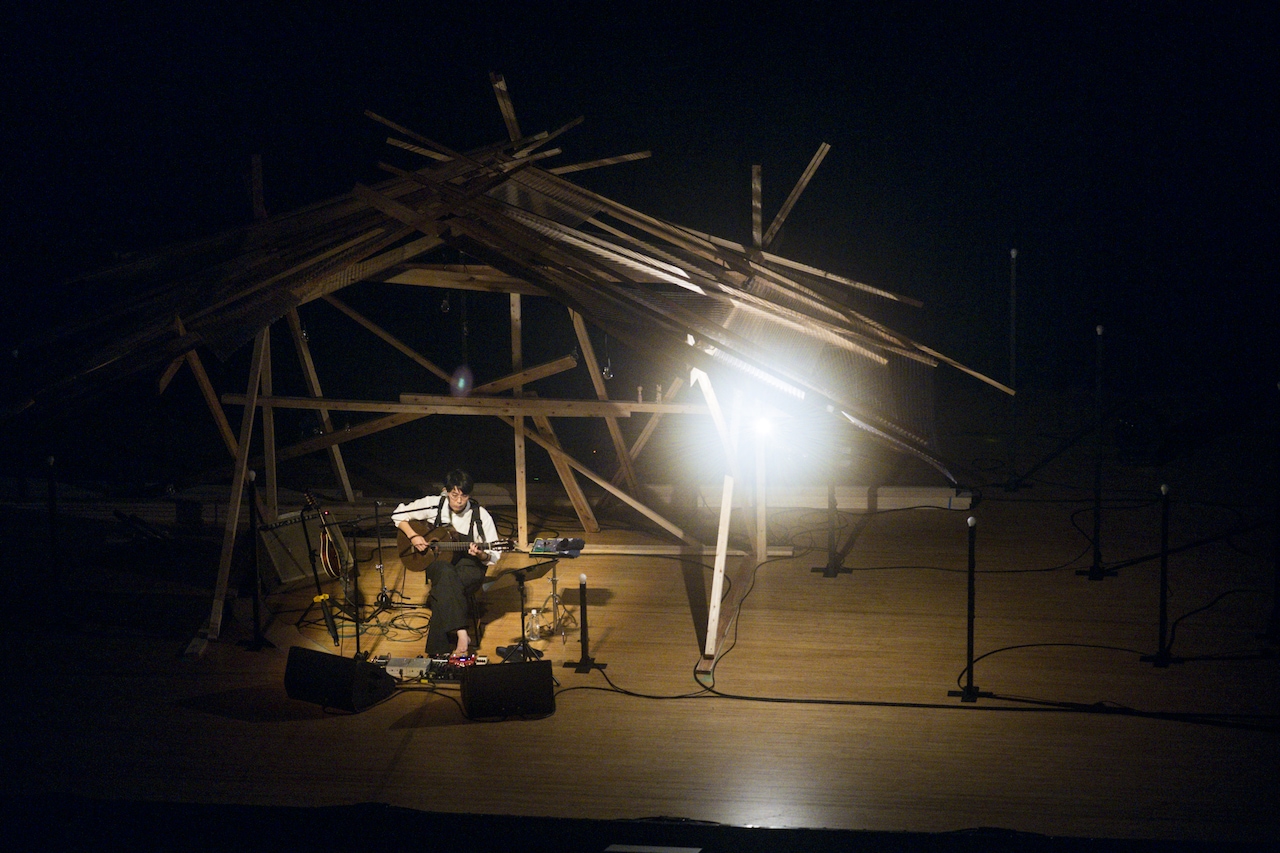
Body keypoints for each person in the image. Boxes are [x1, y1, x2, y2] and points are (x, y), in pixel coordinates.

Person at [392, 469, 501, 658]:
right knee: (444, 571)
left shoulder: (480, 515)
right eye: (454, 495)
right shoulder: (435, 504)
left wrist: (481, 554)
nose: (459, 501)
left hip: (470, 565)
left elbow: (494, 555)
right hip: (438, 561)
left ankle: (438, 652)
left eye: (464, 496)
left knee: (443, 588)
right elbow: (398, 514)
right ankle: (461, 633)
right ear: (446, 491)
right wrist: (414, 535)